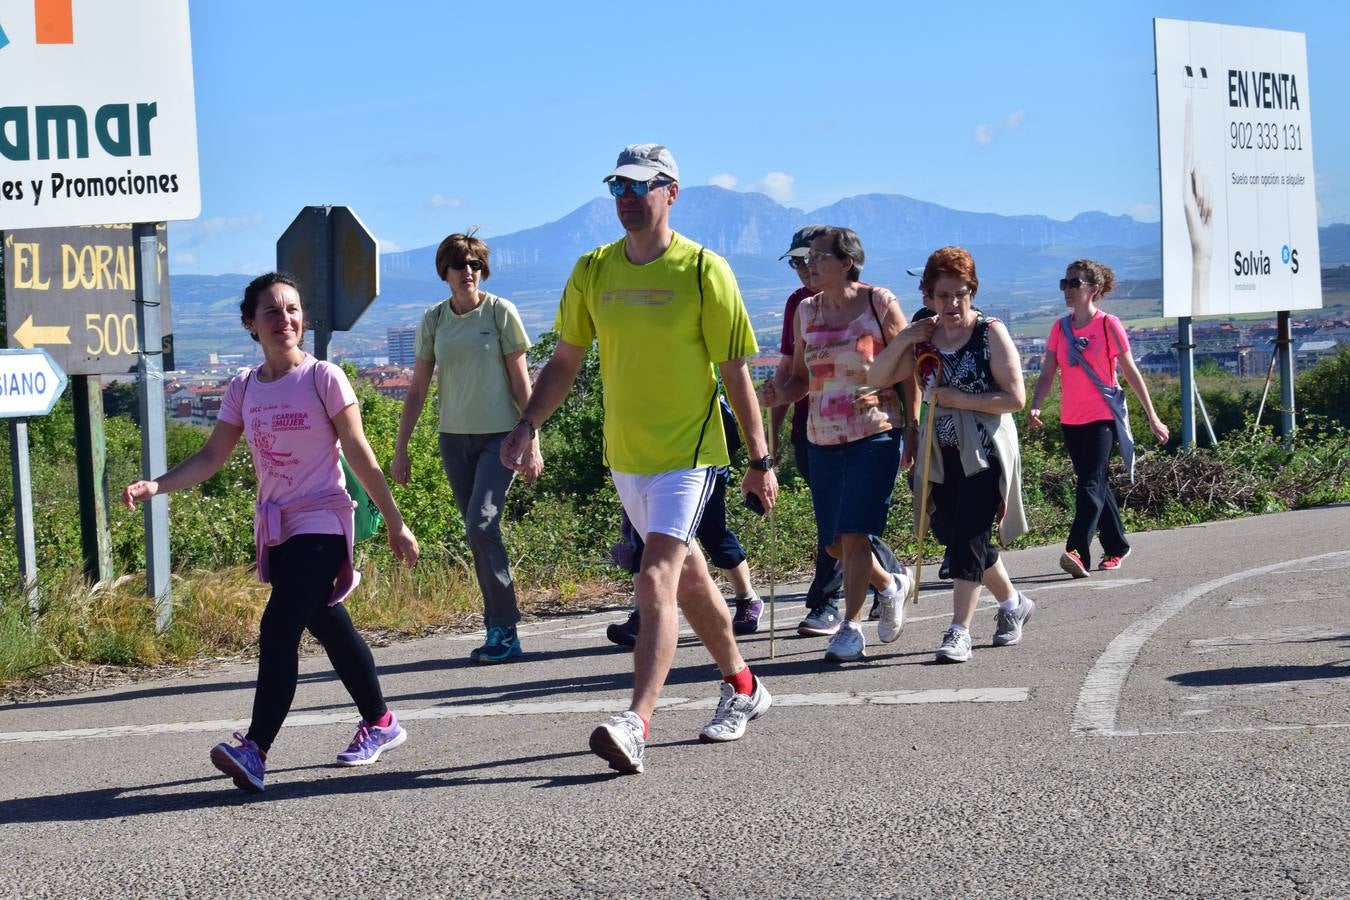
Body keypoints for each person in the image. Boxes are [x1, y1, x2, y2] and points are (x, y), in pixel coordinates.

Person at [500, 143, 777, 774]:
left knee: (654, 575)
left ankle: (636, 722)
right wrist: (527, 424)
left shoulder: (705, 270)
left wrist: (760, 458)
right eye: (617, 188)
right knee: (689, 578)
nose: (627, 199)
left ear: (671, 192)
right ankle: (744, 687)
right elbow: (565, 361)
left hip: (691, 452)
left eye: (641, 187)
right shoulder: (594, 270)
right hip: (627, 456)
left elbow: (735, 374)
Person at [123, 272, 420, 793]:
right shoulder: (243, 387)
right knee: (330, 625)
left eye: (293, 310)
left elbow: (359, 454)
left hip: (324, 520)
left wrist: (395, 522)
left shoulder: (324, 378)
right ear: (250, 324)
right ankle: (380, 723)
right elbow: (212, 456)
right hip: (278, 527)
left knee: (278, 627)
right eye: (272, 312)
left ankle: (255, 748)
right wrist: (156, 485)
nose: (285, 319)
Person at [759, 227, 917, 663]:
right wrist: (780, 396)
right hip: (820, 437)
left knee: (853, 531)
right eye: (808, 257)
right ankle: (889, 584)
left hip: (875, 431)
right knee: (833, 542)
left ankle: (850, 626)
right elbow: (807, 381)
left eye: (819, 256)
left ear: (846, 262)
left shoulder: (878, 302)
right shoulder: (806, 311)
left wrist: (915, 429)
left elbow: (908, 369)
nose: (809, 264)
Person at [869, 246, 1034, 664]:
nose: (953, 304)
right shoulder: (924, 335)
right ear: (928, 296)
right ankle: (1013, 603)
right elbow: (878, 376)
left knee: (970, 537)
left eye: (961, 294)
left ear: (972, 291)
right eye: (943, 295)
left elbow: (1015, 398)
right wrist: (905, 337)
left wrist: (957, 398)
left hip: (984, 450)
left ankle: (958, 631)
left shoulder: (990, 332)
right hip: (939, 452)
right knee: (953, 534)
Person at [391, 232, 541, 662]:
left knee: (482, 524)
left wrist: (531, 439)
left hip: (502, 437)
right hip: (453, 441)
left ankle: (505, 629)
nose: (468, 272)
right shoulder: (434, 320)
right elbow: (417, 390)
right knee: (478, 535)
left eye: (475, 265)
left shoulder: (500, 313)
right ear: (446, 272)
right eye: (460, 265)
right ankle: (497, 628)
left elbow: (521, 383)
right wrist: (401, 449)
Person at [1028, 259, 1170, 577]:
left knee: (1089, 483)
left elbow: (1131, 373)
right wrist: (1036, 404)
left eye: (1074, 283)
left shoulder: (1108, 325)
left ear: (1093, 289)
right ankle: (1117, 545)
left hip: (1102, 418)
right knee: (1096, 484)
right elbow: (1048, 373)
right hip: (1071, 420)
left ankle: (1077, 551)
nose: (1067, 289)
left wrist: (1153, 416)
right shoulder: (1059, 329)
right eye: (1065, 283)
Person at [606, 397, 764, 645]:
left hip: (697, 465)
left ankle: (747, 599)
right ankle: (643, 616)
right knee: (644, 540)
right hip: (647, 466)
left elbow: (729, 425)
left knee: (713, 535)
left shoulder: (697, 377)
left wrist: (758, 461)